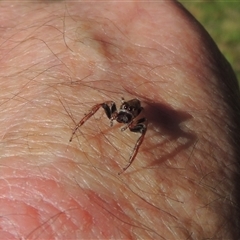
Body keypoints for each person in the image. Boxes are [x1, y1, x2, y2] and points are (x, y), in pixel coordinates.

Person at [0, 1, 239, 239]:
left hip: (138, 109)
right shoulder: (116, 110)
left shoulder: (137, 120)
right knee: (99, 106)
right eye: (121, 116)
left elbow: (142, 128)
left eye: (125, 119)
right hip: (130, 105)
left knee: (143, 132)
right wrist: (81, 124)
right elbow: (100, 105)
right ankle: (81, 129)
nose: (121, 120)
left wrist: (132, 145)